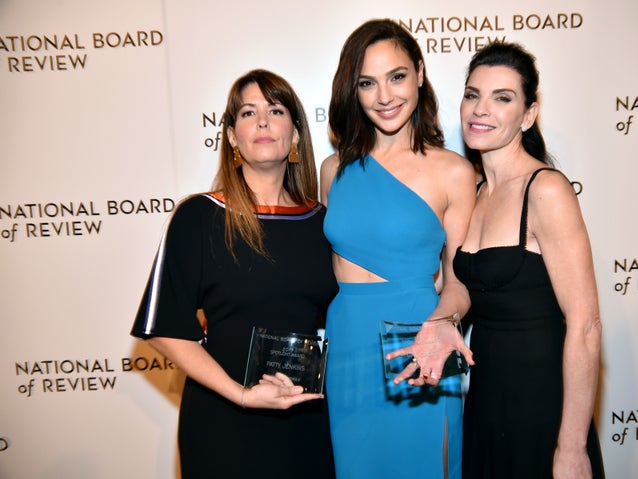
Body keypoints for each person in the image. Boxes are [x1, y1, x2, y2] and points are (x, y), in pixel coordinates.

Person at [130, 69, 337, 478]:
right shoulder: (199, 217)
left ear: (295, 134)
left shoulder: (322, 223)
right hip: (224, 420)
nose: (262, 121)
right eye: (248, 112)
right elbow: (165, 328)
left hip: (306, 423)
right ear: (230, 136)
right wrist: (241, 395)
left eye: (275, 110)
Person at [320, 19, 476, 479]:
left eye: (397, 76)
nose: (384, 96)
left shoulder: (453, 172)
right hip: (347, 344)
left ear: (421, 74)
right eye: (367, 83)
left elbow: (460, 280)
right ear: (354, 89)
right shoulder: (332, 170)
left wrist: (441, 325)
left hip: (420, 344)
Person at [453, 41, 605, 478]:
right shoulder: (478, 192)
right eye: (472, 94)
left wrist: (572, 448)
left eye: (502, 98)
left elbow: (586, 326)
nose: (481, 109)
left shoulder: (546, 189)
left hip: (542, 398)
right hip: (486, 394)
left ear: (529, 114)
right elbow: (463, 286)